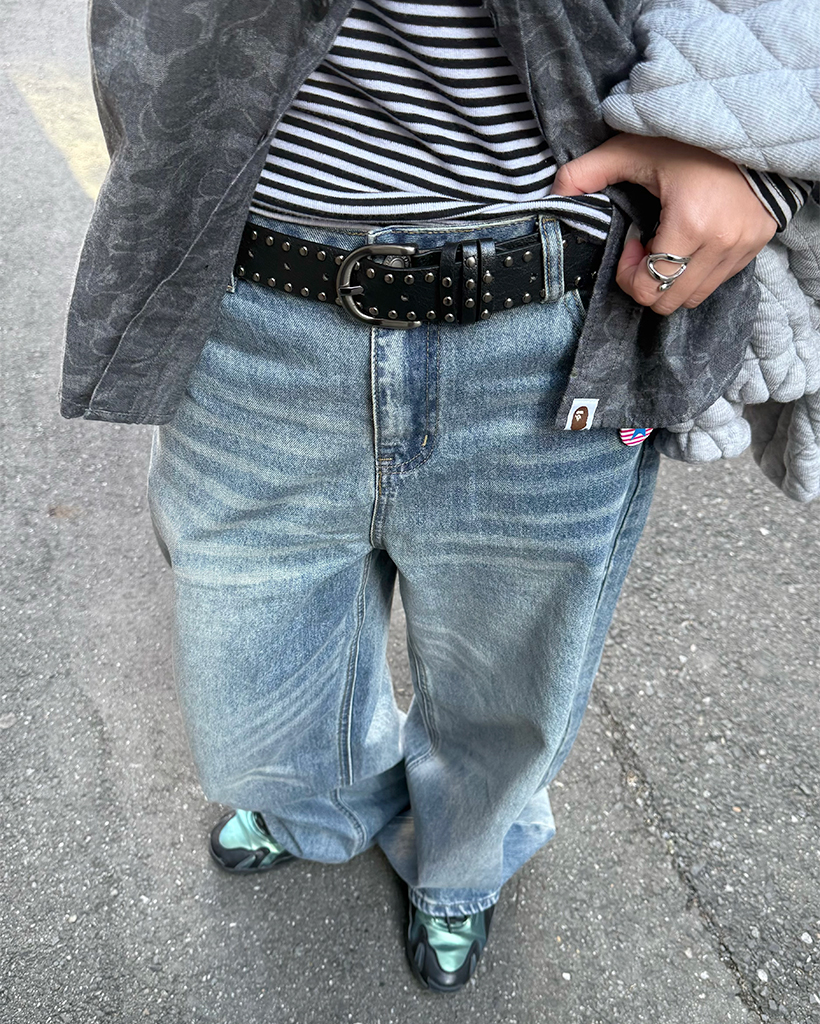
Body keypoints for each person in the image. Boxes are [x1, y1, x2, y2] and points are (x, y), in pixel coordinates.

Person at [62, 0, 817, 995]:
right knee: (253, 678)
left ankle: (462, 863)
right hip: (247, 305)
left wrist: (761, 130)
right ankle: (318, 804)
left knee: (511, 680)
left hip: (552, 324)